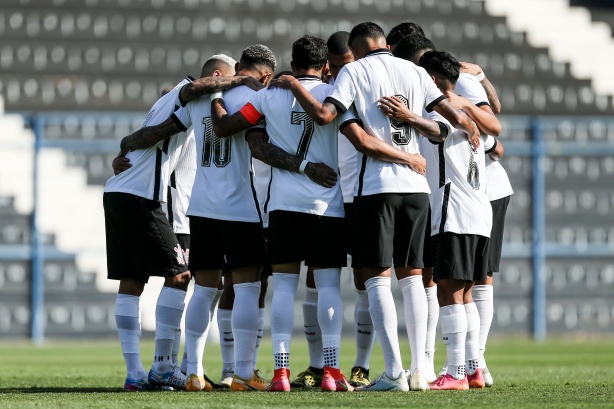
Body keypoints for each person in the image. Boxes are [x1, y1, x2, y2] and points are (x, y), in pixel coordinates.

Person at [269, 22, 480, 392]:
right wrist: (415, 132)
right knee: (413, 277)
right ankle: (421, 371)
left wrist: (293, 85)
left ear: (358, 48)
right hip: (416, 189)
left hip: (376, 188)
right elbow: (445, 126)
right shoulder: (415, 72)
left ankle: (395, 372)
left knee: (377, 277)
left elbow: (327, 116)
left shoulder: (355, 71)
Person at [117, 44, 275, 392]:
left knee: (202, 290)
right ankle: (244, 373)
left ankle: (193, 371)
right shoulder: (257, 98)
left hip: (201, 208)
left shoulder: (197, 100)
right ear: (264, 74)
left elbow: (159, 129)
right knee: (248, 287)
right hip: (239, 206)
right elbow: (250, 142)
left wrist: (126, 144)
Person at [415, 50, 492, 390]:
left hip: (454, 212)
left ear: (431, 80)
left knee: (448, 290)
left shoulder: (441, 112)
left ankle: (456, 373)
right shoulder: (469, 112)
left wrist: (405, 114)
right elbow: (494, 142)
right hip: (479, 213)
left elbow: (437, 130)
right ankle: (473, 369)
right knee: (465, 293)